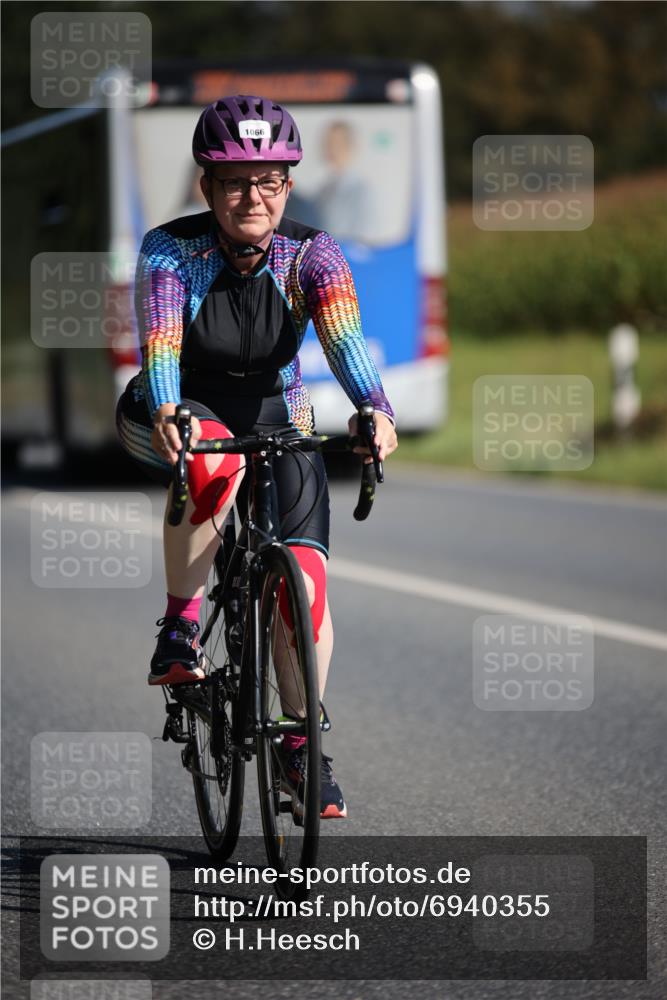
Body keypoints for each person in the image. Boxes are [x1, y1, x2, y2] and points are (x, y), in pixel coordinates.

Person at [116, 95, 397, 819]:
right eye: (235, 181)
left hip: (277, 406)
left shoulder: (312, 253)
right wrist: (174, 408)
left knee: (302, 585)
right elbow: (162, 348)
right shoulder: (170, 249)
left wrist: (375, 408)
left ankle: (300, 746)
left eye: (269, 180)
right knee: (212, 460)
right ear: (206, 186)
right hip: (179, 404)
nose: (253, 197)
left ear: (288, 184)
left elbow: (343, 341)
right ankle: (179, 627)